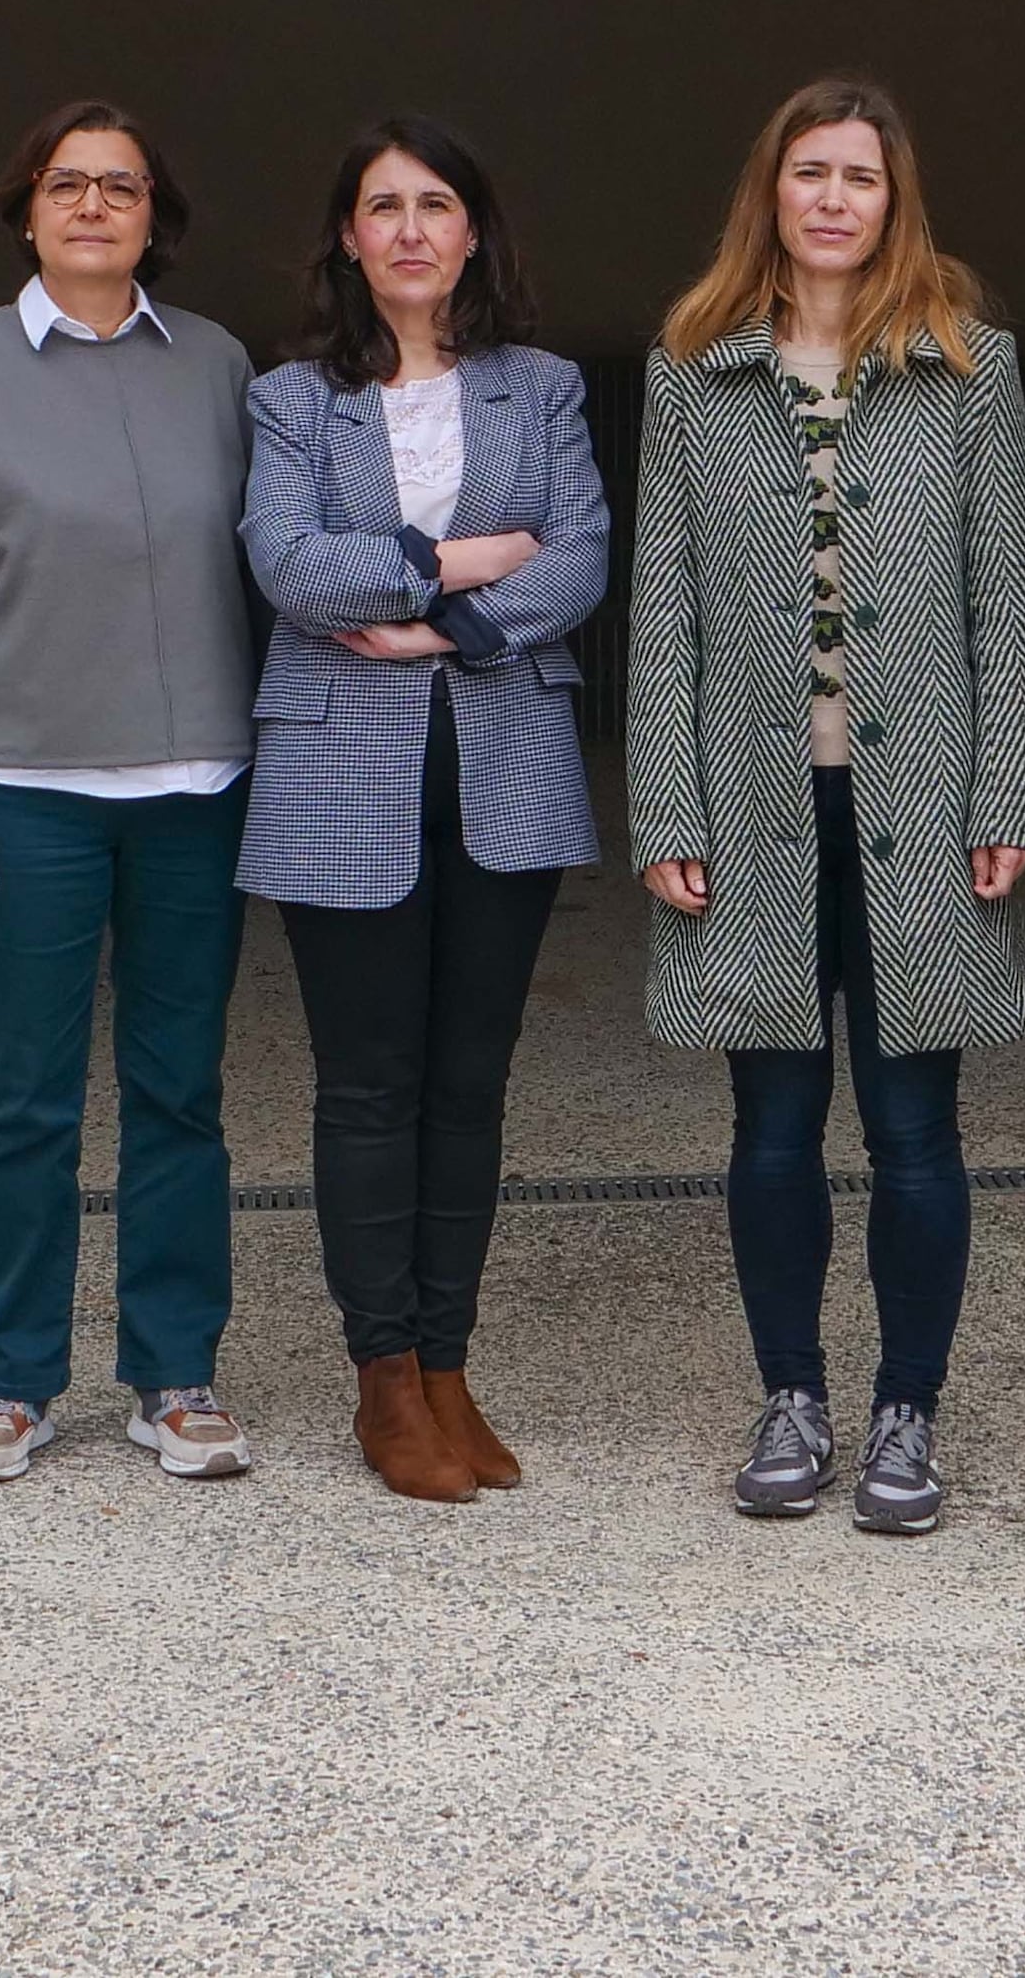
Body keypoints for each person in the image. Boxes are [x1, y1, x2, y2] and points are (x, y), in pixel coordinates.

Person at [630, 77, 1025, 1535]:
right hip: (752, 799)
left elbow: (1007, 598)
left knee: (918, 1121)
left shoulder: (968, 364)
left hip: (924, 801)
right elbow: (665, 610)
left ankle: (907, 1412)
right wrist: (664, 808)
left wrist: (1010, 789)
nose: (831, 198)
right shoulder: (693, 366)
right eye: (808, 171)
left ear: (895, 198)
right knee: (772, 1121)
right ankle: (792, 1394)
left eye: (859, 176)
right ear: (771, 191)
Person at [0, 99, 261, 1488]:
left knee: (180, 1088)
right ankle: (13, 1378)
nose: (94, 204)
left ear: (157, 216)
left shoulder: (215, 365)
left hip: (193, 783)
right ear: (25, 209)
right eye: (66, 183)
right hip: (23, 786)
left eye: (123, 186)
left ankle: (176, 1370)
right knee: (24, 1094)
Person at [234, 119, 612, 1502]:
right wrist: (448, 562)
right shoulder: (290, 401)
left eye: (434, 203)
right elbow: (288, 566)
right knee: (368, 1080)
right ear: (348, 236)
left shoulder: (545, 386)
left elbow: (578, 556)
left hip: (503, 766)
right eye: (380, 206)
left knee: (471, 1080)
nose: (407, 227)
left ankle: (450, 1357)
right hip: (340, 771)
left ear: (472, 232)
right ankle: (382, 1374)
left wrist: (446, 628)